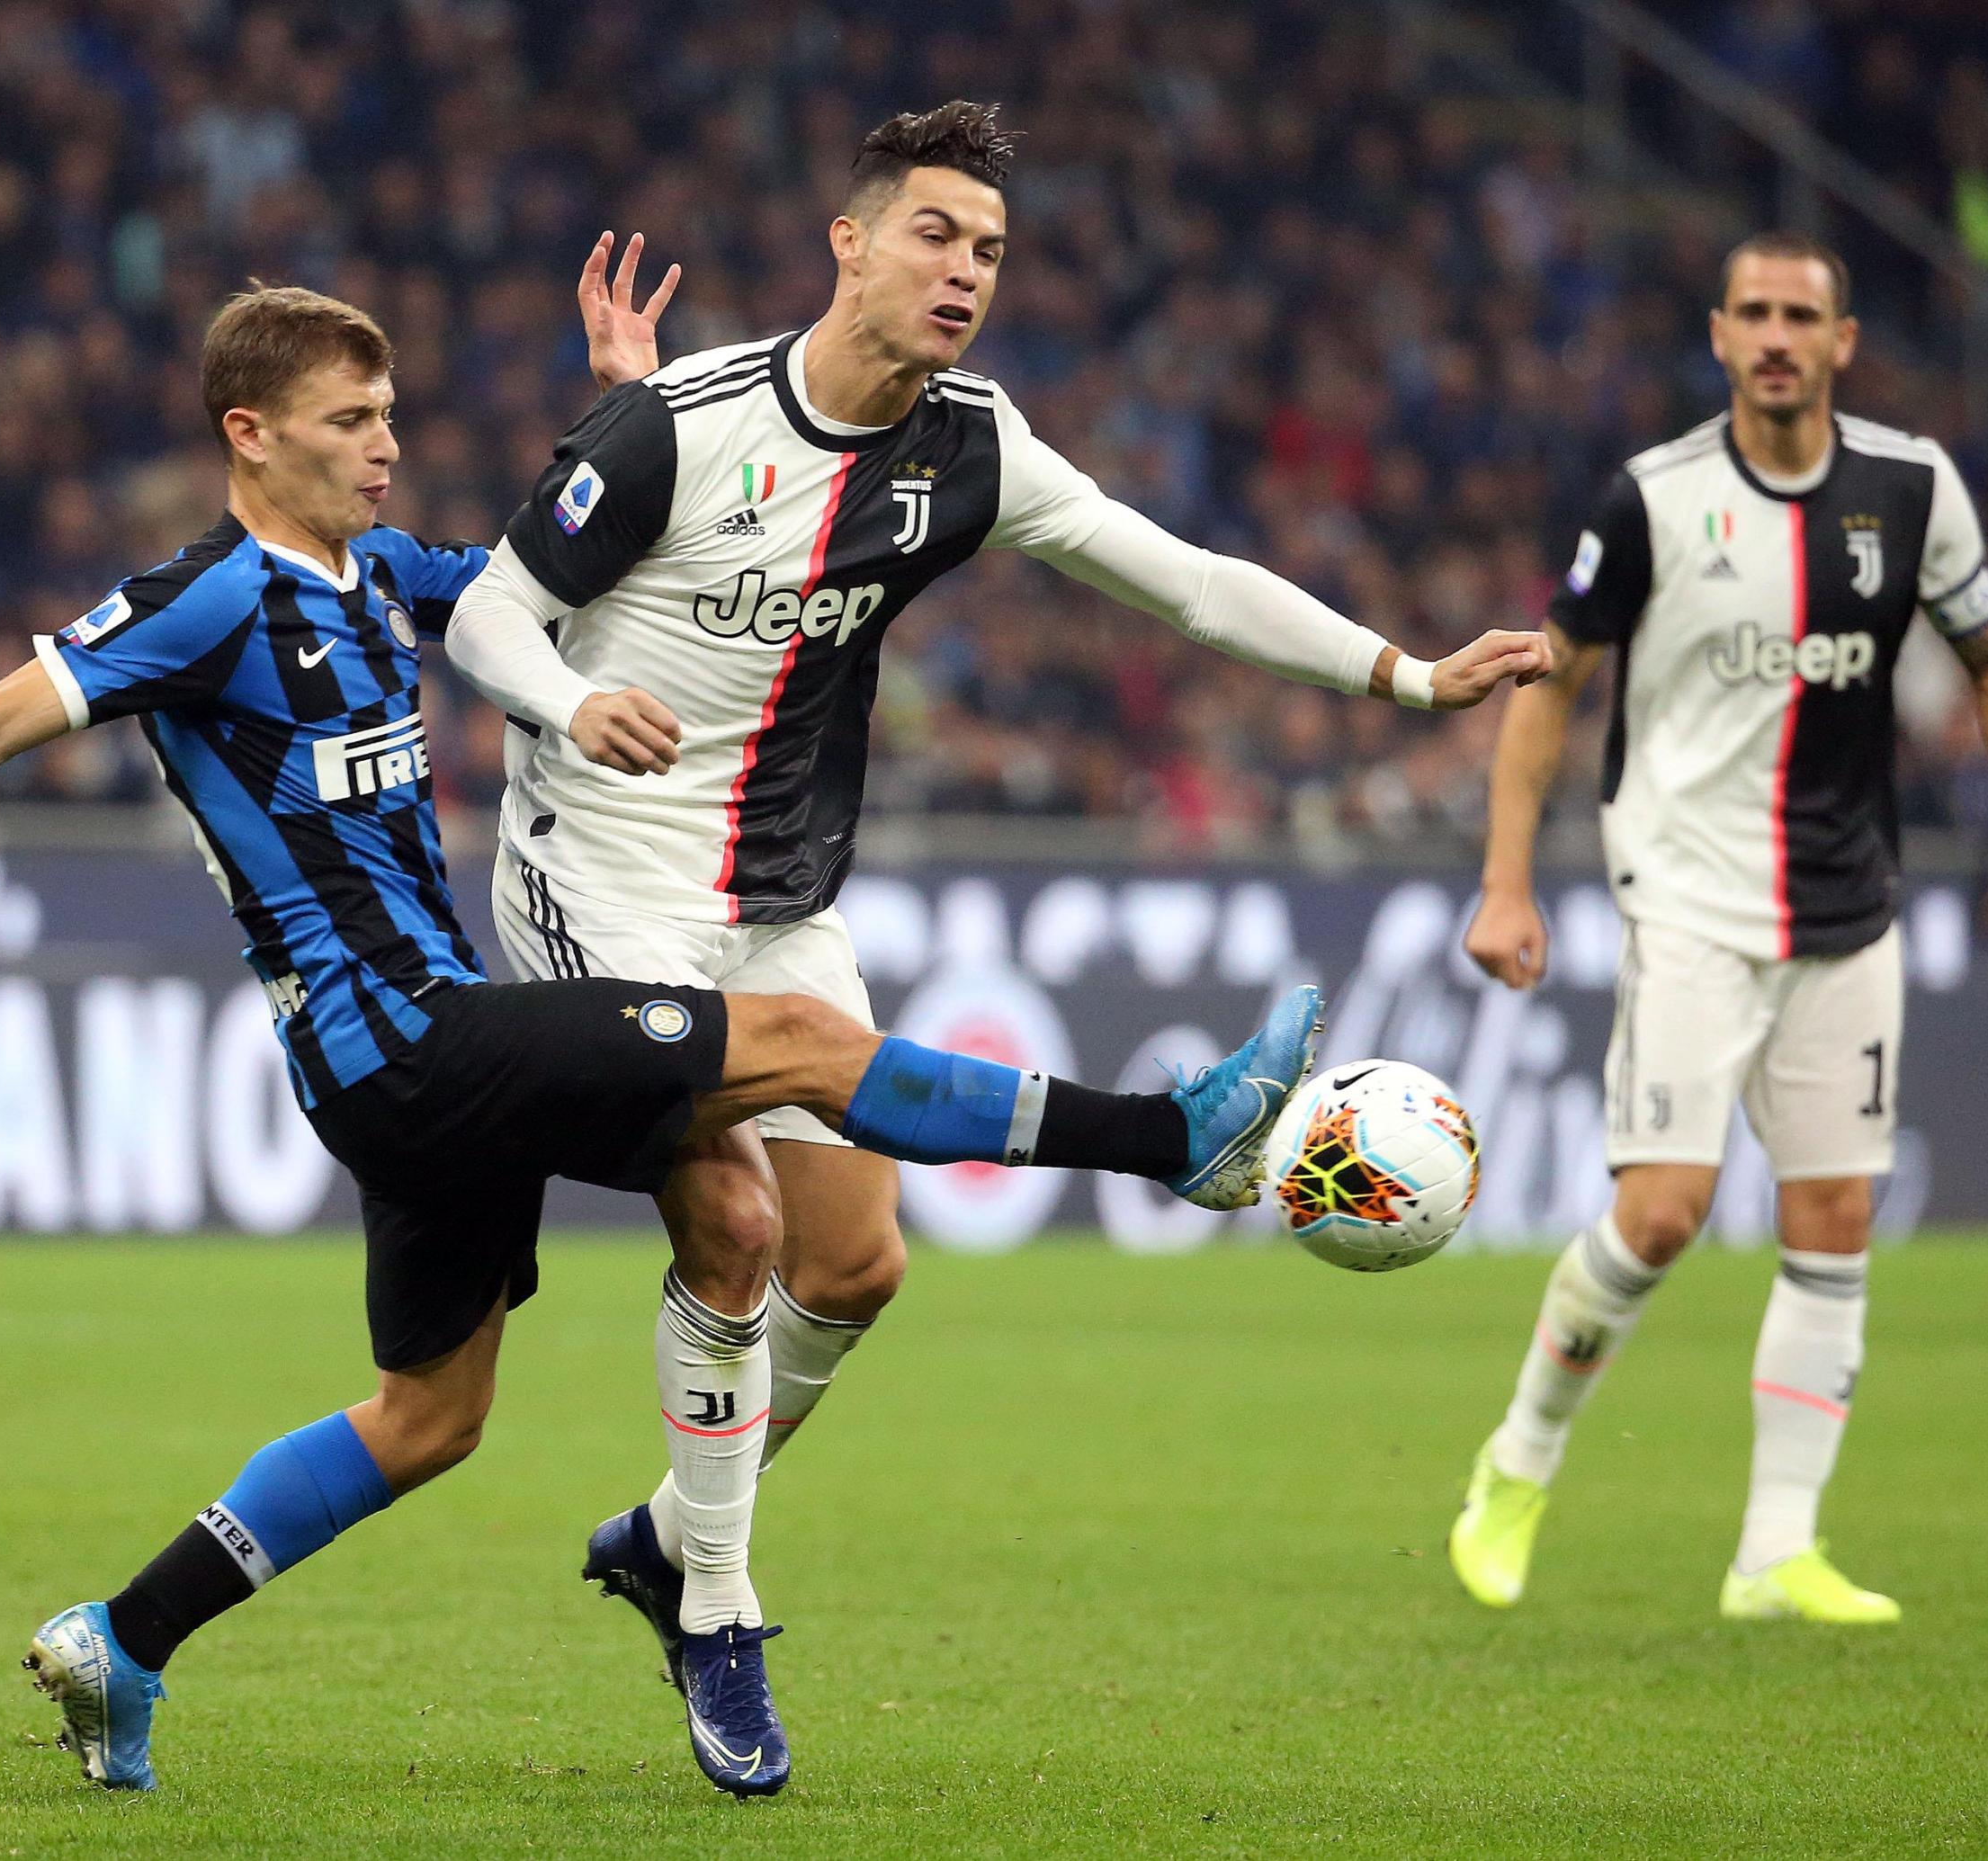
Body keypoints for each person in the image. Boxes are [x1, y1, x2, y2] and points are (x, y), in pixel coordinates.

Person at [0, 279, 1326, 1799]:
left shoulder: (377, 581)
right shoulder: (204, 602)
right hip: (410, 1045)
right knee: (798, 1036)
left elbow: (553, 570)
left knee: (445, 1409)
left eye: (393, 417)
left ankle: (122, 1640)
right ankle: (1174, 1138)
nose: (387, 447)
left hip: (417, 1071)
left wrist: (624, 408)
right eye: (355, 423)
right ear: (249, 431)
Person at [442, 101, 1549, 1688]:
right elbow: (488, 617)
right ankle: (719, 1610)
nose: (965, 272)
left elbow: (1186, 578)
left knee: (858, 1265)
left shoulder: (974, 444)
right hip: (597, 873)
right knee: (739, 1218)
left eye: (991, 251)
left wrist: (1411, 675)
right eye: (935, 235)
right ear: (852, 241)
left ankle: (674, 1535)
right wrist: (563, 703)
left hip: (780, 893)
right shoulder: (676, 423)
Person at [1446, 232, 1988, 1624]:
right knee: (1660, 1212)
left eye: (1805, 315)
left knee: (1834, 1217)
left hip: (1848, 906)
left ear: (1845, 341)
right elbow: (1549, 683)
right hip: (1687, 894)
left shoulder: (1913, 490)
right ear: (1718, 336)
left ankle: (1774, 1551)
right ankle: (1519, 1458)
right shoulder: (1655, 498)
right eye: (1755, 314)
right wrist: (1507, 877)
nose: (1779, 336)